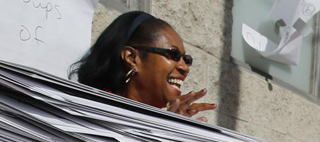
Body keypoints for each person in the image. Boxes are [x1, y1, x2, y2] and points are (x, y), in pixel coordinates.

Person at [70, 11, 215, 119]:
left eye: (187, 59)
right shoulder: (87, 116)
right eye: (173, 54)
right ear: (132, 58)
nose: (185, 68)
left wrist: (176, 135)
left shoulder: (167, 121)